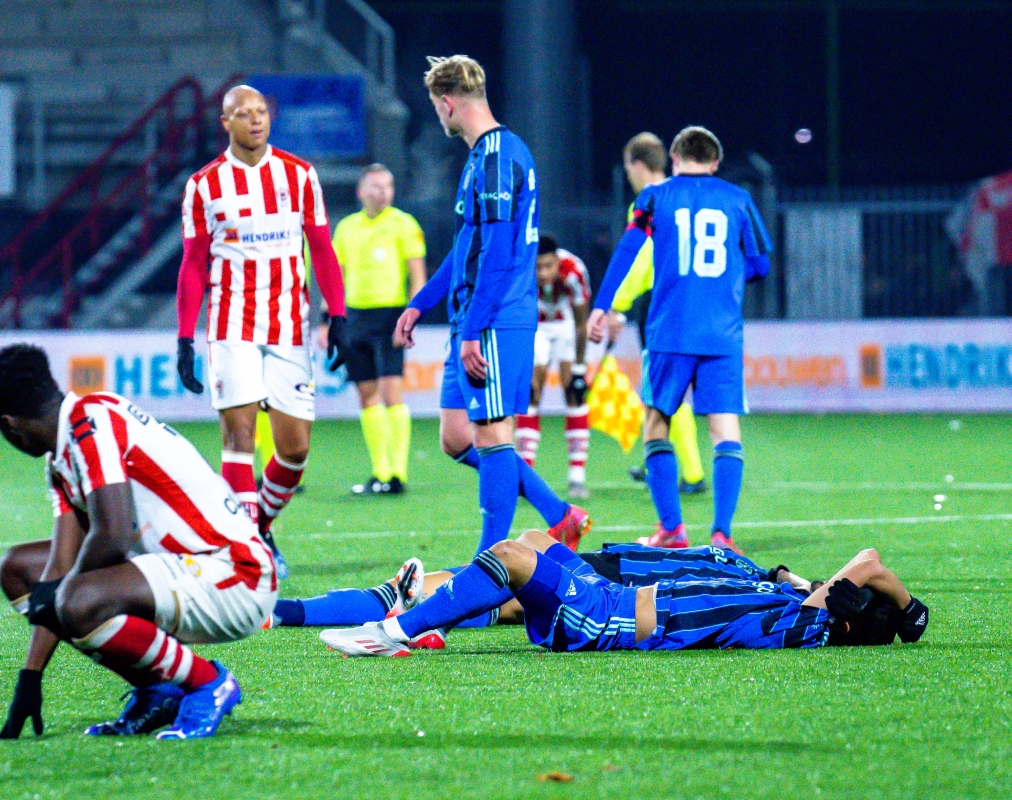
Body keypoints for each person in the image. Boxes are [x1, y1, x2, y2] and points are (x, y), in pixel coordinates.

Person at [0, 344, 277, 740]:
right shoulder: (65, 450)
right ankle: (158, 690)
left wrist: (63, 595)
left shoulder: (89, 423)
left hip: (235, 573)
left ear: (10, 424)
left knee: (76, 599)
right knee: (20, 572)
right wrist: (30, 678)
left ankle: (208, 682)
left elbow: (112, 535)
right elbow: (58, 570)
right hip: (186, 571)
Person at [393, 55, 589, 554]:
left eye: (436, 108)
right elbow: (468, 250)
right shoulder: (482, 156)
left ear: (447, 102)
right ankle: (558, 514)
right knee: (457, 437)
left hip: (497, 320)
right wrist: (421, 303)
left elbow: (500, 255)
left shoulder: (500, 156)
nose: (438, 117)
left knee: (492, 435)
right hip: (473, 318)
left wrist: (476, 329)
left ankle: (492, 565)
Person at [174, 85, 350, 578]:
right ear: (225, 123)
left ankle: (259, 526)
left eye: (261, 112)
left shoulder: (298, 175)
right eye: (244, 114)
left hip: (289, 326)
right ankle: (244, 552)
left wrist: (337, 315)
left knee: (294, 450)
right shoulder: (203, 185)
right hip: (231, 325)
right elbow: (192, 266)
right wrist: (185, 337)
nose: (256, 120)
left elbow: (321, 249)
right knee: (239, 438)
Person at [588, 126, 773, 553]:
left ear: (674, 157)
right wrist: (728, 277)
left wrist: (602, 305)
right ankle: (723, 534)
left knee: (657, 423)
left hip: (670, 329)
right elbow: (760, 265)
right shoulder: (738, 199)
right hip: (722, 333)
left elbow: (628, 250)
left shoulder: (655, 197)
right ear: (715, 162)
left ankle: (672, 529)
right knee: (725, 430)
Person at [319, 533, 929, 656]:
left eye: (834, 589)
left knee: (511, 559)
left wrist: (909, 613)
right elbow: (831, 577)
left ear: (845, 616)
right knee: (533, 540)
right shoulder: (794, 604)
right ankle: (431, 622)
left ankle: (391, 631)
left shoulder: (809, 624)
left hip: (611, 622)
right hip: (611, 597)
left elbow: (870, 562)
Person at [272, 533, 815, 633]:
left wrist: (792, 578)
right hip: (609, 572)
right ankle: (413, 602)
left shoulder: (751, 579)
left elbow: (736, 563)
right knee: (514, 568)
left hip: (609, 584)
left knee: (510, 580)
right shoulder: (746, 574)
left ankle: (407, 603)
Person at [610, 133, 706, 494]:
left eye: (628, 168)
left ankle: (689, 473)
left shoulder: (650, 201)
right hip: (690, 299)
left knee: (666, 389)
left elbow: (644, 261)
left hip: (661, 304)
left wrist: (617, 305)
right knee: (666, 389)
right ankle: (666, 464)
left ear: (636, 165)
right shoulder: (683, 196)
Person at [329, 163, 426, 495]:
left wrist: (410, 318)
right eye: (375, 186)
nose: (382, 191)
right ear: (361, 191)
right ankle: (379, 472)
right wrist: (330, 319)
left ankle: (397, 474)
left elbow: (418, 276)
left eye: (388, 185)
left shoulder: (404, 223)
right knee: (366, 394)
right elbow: (335, 279)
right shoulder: (346, 227)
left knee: (391, 392)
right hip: (355, 319)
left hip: (390, 318)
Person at [514, 234, 592, 497]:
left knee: (575, 393)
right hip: (534, 325)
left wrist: (580, 369)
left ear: (558, 262)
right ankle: (525, 477)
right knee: (531, 393)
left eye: (548, 266)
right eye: (538, 267)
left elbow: (582, 324)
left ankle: (577, 477)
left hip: (566, 324)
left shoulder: (574, 271)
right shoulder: (520, 269)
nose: (543, 273)